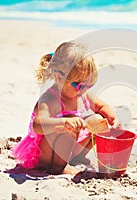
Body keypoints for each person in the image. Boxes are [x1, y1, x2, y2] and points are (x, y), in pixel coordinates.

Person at [11, 41, 118, 175]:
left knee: (98, 121)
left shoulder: (82, 94)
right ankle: (59, 167)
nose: (84, 90)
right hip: (45, 154)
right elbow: (37, 125)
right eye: (79, 85)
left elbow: (101, 106)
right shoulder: (50, 99)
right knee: (69, 125)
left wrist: (111, 118)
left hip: (68, 147)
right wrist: (63, 122)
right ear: (59, 77)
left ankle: (77, 157)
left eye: (88, 85)